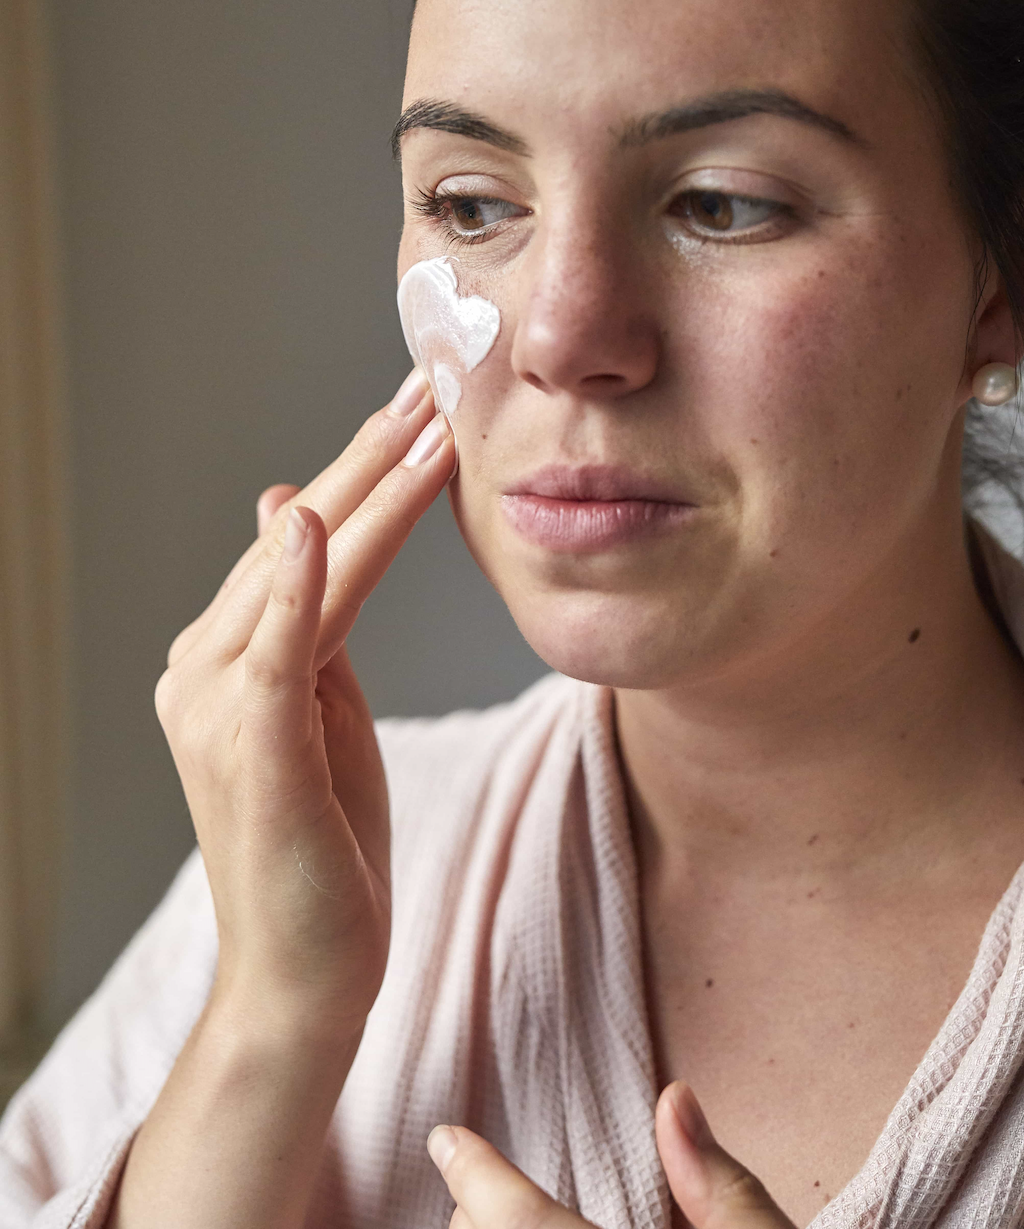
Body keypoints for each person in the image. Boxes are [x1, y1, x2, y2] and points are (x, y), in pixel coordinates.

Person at [3, 0, 1024, 1226]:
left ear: (996, 281)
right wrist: (270, 1025)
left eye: (720, 202)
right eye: (471, 207)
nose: (559, 333)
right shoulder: (299, 888)